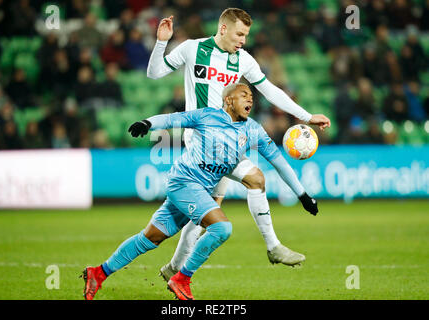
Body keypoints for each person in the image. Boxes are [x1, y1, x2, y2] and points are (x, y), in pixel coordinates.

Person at [82, 83, 319, 300]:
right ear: (228, 100)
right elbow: (173, 119)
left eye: (252, 97)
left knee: (150, 238)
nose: (250, 100)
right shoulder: (208, 116)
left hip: (197, 190)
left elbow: (279, 161)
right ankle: (181, 279)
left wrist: (303, 195)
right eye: (244, 94)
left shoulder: (253, 130)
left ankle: (98, 273)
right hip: (184, 182)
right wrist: (147, 123)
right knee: (222, 228)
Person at [146, 8, 331, 279]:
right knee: (255, 179)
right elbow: (154, 73)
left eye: (246, 34)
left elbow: (269, 91)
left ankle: (174, 268)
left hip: (226, 137)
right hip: (200, 138)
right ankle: (273, 246)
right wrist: (162, 41)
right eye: (240, 33)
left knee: (207, 211)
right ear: (223, 28)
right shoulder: (192, 49)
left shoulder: (243, 60)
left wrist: (305, 116)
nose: (244, 39)